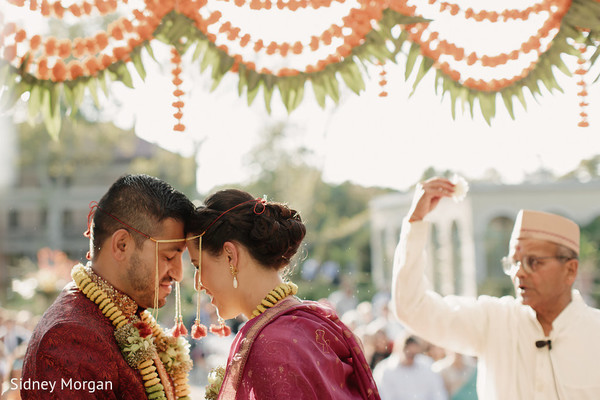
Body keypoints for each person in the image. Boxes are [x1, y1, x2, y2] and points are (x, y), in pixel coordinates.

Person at [392, 177, 600, 400]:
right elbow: (412, 308)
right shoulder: (494, 320)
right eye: (515, 262)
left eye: (534, 262)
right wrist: (415, 223)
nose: (519, 272)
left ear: (570, 270)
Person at [187, 189, 380, 399]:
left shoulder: (271, 345)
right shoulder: (309, 323)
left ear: (230, 256)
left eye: (198, 266)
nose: (198, 284)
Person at [21, 174, 195, 399]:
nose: (178, 274)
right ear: (121, 245)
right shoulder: (70, 337)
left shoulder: (131, 317)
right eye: (169, 256)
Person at [373, 333, 448, 400]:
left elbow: (438, 393)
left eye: (414, 355)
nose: (411, 358)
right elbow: (384, 396)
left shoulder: (427, 365)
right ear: (398, 349)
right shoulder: (384, 370)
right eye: (409, 354)